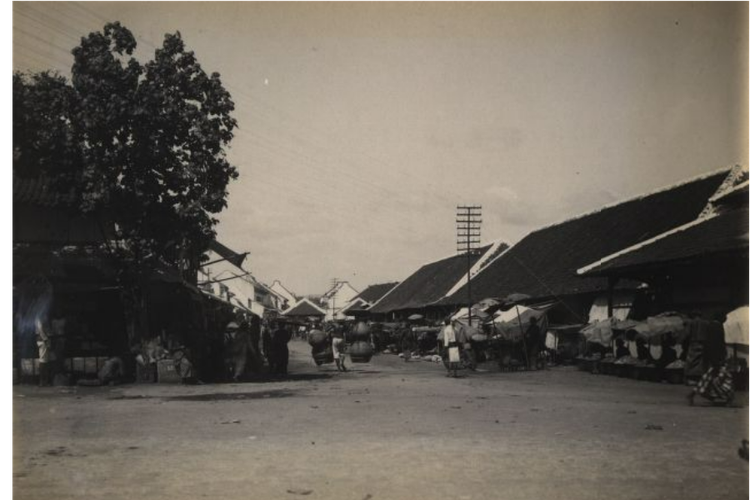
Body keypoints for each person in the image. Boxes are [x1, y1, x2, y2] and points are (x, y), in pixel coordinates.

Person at [688, 315, 733, 406]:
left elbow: (709, 343)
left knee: (708, 378)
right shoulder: (718, 327)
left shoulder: (710, 326)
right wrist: (720, 358)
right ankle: (726, 396)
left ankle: (696, 394)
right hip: (717, 357)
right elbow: (718, 344)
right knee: (722, 377)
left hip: (711, 356)